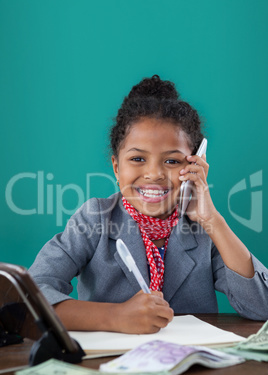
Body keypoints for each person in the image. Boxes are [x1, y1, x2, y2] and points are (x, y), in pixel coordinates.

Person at [29, 75, 268, 334]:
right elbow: (30, 297)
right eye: (138, 158)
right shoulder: (95, 218)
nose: (154, 174)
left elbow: (261, 307)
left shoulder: (203, 230)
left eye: (172, 161)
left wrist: (213, 222)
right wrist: (114, 317)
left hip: (192, 368)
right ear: (116, 167)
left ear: (195, 166)